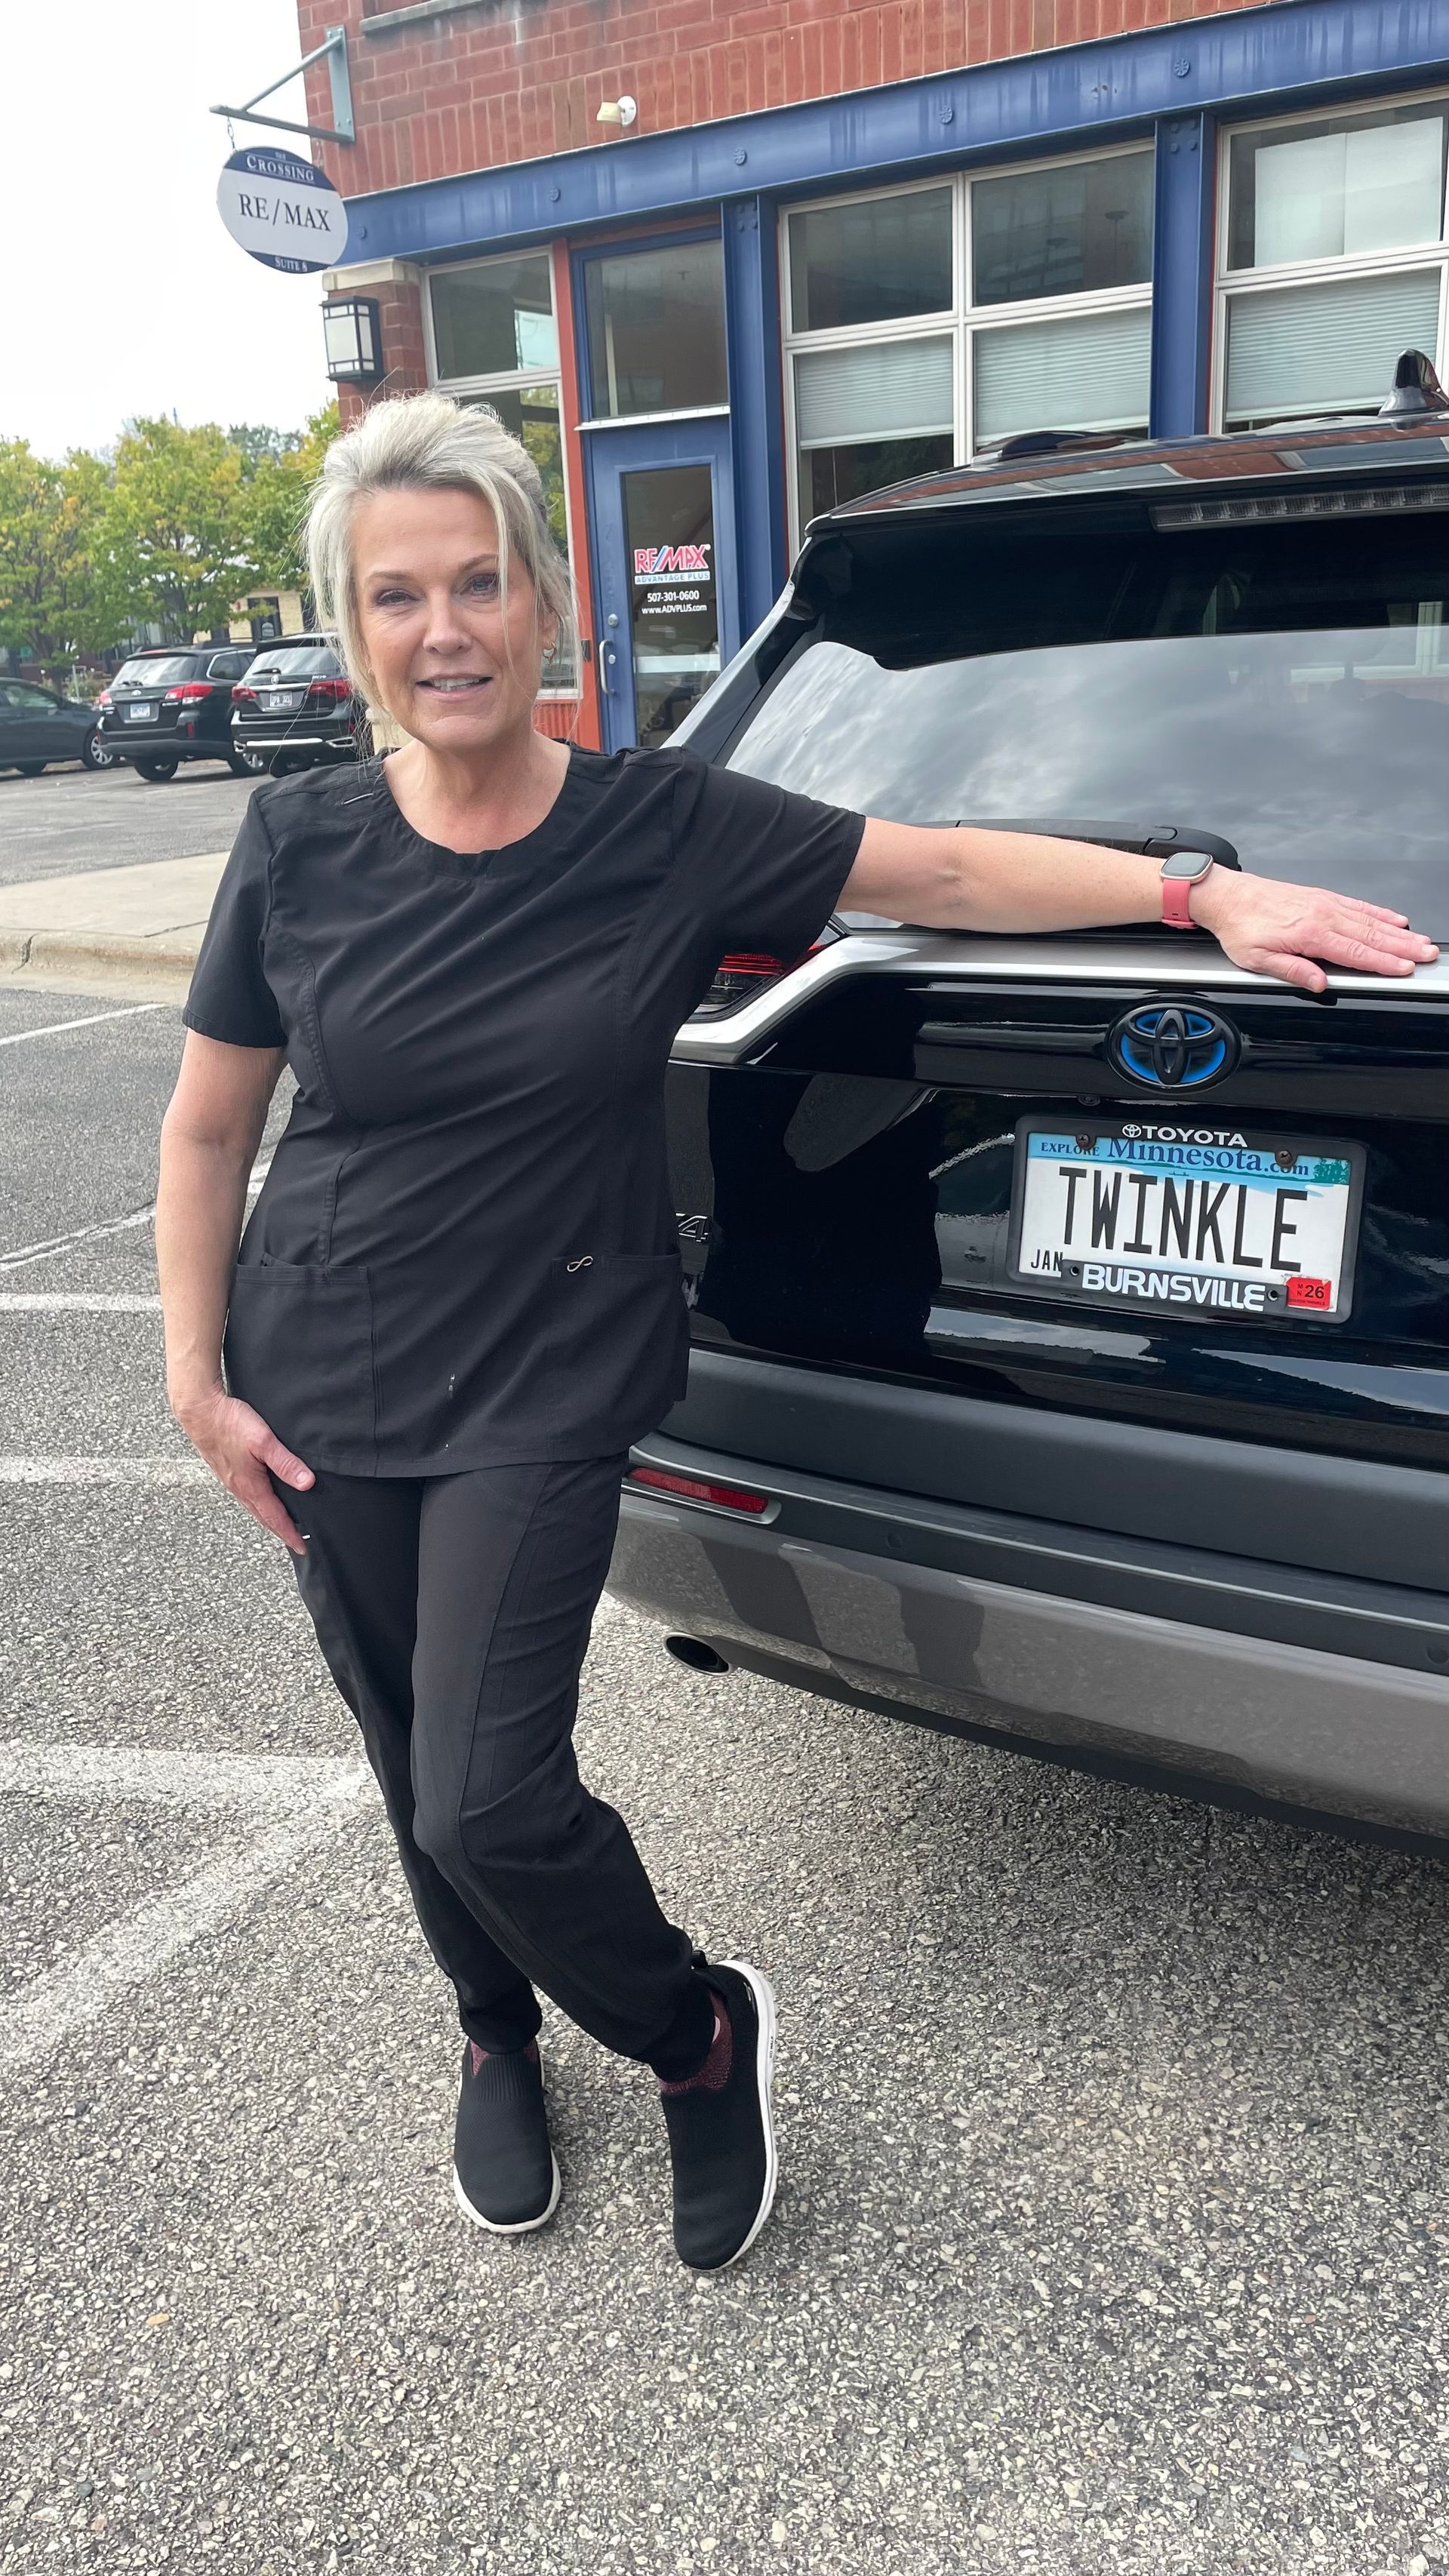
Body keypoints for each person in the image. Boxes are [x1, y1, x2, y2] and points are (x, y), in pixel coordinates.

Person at [155, 393, 1437, 2273]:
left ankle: (691, 2036)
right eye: (397, 595)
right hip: (315, 1367)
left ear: (545, 606)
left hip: (541, 1374)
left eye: (480, 583)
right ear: (353, 631)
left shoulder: (661, 826)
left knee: (485, 1790)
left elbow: (943, 869)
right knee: (397, 1747)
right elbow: (209, 1124)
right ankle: (492, 2031)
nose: (446, 630)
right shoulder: (299, 840)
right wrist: (193, 1371)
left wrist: (1198, 887)